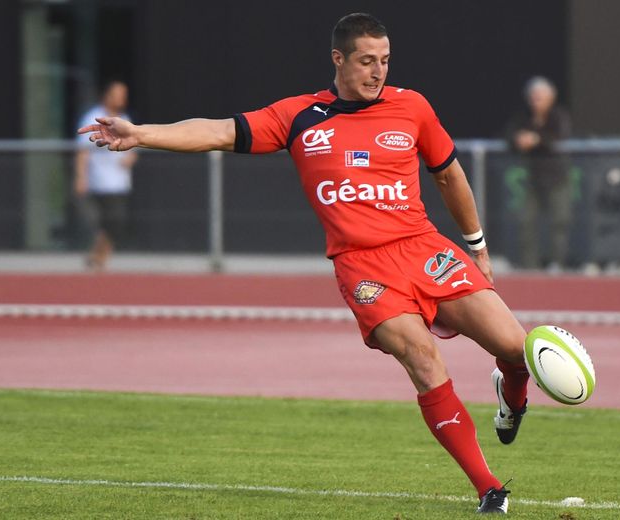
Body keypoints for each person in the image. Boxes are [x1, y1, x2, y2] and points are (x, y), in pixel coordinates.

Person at [79, 13, 532, 514]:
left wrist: (477, 246)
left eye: (385, 61)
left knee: (516, 347)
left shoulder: (412, 106)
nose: (378, 71)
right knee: (424, 360)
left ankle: (513, 399)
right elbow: (218, 131)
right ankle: (489, 489)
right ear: (338, 58)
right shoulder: (299, 116)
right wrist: (141, 134)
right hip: (363, 266)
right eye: (367, 61)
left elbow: (449, 176)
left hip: (425, 248)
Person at [504, 77, 572, 272]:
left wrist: (537, 139)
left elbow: (559, 137)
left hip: (557, 177)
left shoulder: (558, 116)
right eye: (533, 97)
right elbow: (508, 136)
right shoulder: (523, 117)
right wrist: (519, 140)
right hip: (532, 178)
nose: (536, 101)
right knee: (526, 221)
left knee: (559, 220)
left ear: (551, 98)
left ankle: (558, 262)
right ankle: (529, 265)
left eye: (540, 97)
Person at [75, 80, 137, 271]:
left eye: (123, 95)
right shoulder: (93, 118)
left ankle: (98, 257)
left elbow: (135, 145)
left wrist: (131, 158)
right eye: (117, 95)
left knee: (115, 222)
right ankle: (98, 257)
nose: (121, 99)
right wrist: (81, 177)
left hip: (119, 181)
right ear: (107, 96)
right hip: (99, 181)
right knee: (104, 222)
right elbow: (83, 151)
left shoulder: (125, 118)